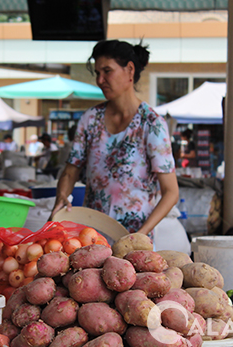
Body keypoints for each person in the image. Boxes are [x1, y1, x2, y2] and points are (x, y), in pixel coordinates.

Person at [51, 39, 179, 238]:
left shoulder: (151, 123)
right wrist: (61, 197)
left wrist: (141, 234)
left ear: (129, 70)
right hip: (91, 235)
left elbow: (171, 192)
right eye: (97, 73)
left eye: (107, 71)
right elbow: (70, 171)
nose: (100, 80)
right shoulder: (91, 119)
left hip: (133, 236)